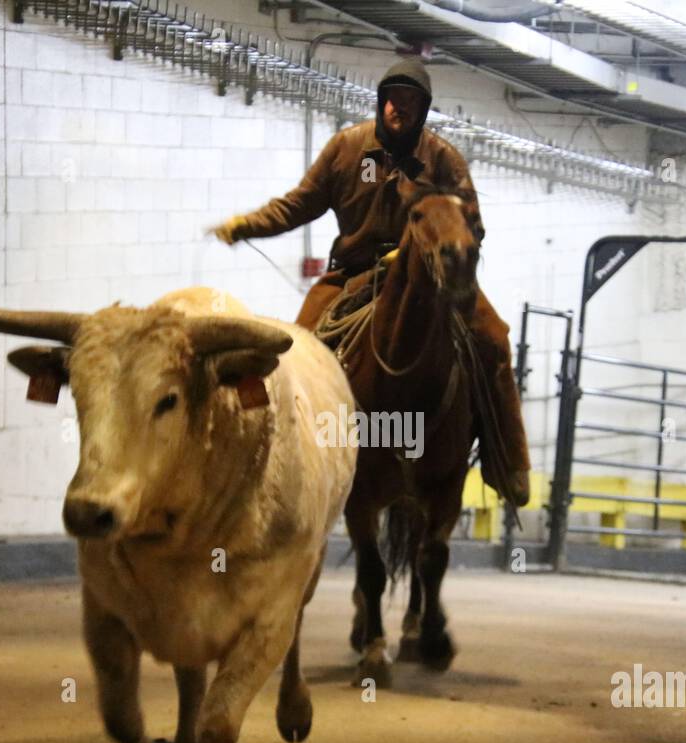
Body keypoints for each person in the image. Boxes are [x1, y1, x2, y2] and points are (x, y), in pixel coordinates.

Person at [208, 58, 531, 507]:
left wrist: (425, 252)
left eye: (411, 103)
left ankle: (509, 461)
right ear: (382, 102)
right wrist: (246, 225)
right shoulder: (347, 148)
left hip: (430, 279)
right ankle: (284, 458)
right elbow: (299, 204)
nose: (400, 109)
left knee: (494, 339)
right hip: (352, 273)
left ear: (423, 109)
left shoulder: (443, 160)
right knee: (295, 349)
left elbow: (472, 224)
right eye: (394, 100)